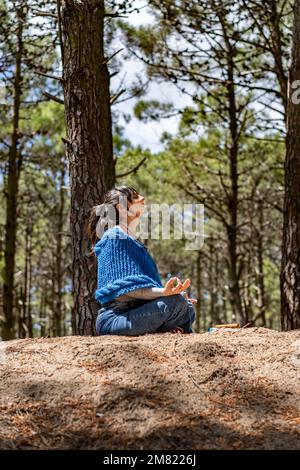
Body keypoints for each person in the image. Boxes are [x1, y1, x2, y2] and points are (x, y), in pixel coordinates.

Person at [87, 185, 196, 336]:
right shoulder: (114, 237)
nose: (142, 199)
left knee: (186, 306)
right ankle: (177, 333)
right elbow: (127, 291)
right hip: (115, 318)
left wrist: (170, 294)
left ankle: (174, 333)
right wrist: (165, 293)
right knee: (176, 303)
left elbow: (145, 293)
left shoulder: (131, 240)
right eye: (135, 197)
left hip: (135, 313)